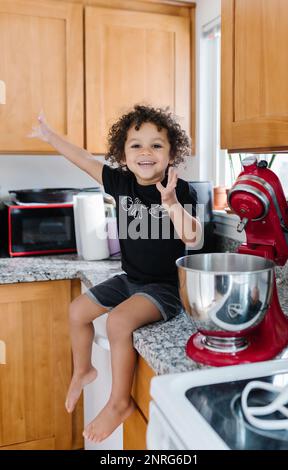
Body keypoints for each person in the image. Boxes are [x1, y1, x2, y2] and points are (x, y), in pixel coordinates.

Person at [29, 105, 202, 443]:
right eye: (136, 145)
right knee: (77, 311)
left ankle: (119, 402)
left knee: (118, 322)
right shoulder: (120, 182)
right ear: (123, 152)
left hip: (165, 289)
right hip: (129, 279)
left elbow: (193, 237)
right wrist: (49, 136)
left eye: (156, 145)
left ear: (172, 153)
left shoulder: (179, 190)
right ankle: (84, 369)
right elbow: (81, 158)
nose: (146, 152)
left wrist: (170, 203)